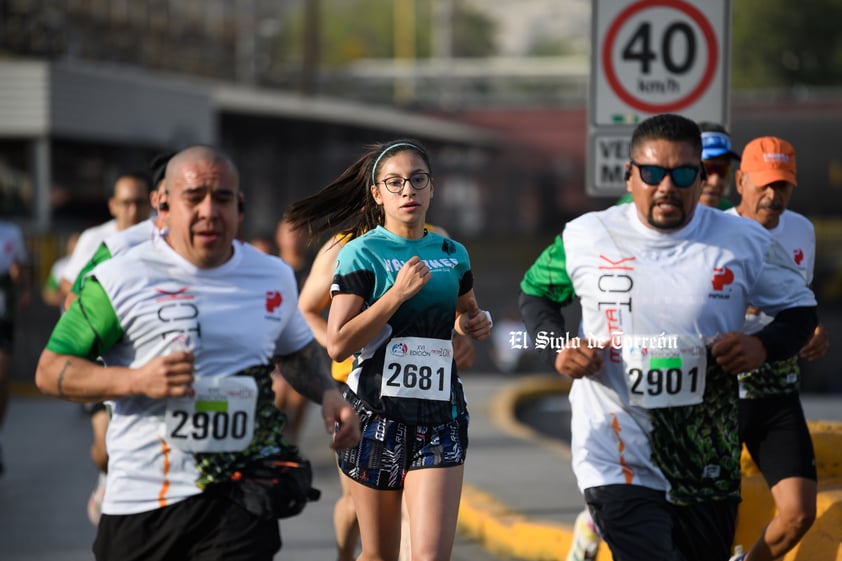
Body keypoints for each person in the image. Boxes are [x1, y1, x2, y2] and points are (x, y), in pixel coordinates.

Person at [34, 145, 360, 561]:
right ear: (163, 206)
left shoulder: (270, 274)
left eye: (222, 198)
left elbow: (296, 353)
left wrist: (330, 395)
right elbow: (49, 369)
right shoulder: (119, 277)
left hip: (242, 496)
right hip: (145, 501)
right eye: (194, 197)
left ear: (239, 207)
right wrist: (135, 380)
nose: (209, 210)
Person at [518, 114, 817, 561]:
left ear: (701, 178)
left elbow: (800, 309)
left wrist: (763, 346)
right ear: (630, 175)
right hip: (615, 455)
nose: (666, 186)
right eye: (653, 173)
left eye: (682, 174)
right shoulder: (587, 235)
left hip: (705, 459)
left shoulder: (744, 240)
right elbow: (534, 293)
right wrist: (556, 349)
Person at [286, 139, 490, 561]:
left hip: (441, 415)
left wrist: (472, 324)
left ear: (433, 188)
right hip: (376, 416)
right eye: (395, 183)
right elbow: (339, 341)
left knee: (430, 556)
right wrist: (394, 296)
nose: (408, 191)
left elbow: (463, 312)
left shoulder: (453, 253)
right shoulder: (359, 252)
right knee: (380, 554)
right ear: (377, 194)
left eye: (418, 180)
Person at [726, 136, 828, 561]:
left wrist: (813, 331)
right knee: (708, 516)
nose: (773, 196)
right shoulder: (715, 232)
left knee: (799, 513)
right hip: (722, 395)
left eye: (783, 185)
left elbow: (798, 303)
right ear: (740, 182)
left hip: (778, 394)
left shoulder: (802, 229)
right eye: (764, 184)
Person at [68, 152, 173, 525]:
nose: (131, 210)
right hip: (105, 367)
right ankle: (107, 480)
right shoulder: (103, 243)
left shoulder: (195, 243)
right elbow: (70, 297)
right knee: (104, 451)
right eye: (124, 203)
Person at [59, 171, 152, 301]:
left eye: (140, 203)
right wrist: (99, 307)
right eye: (126, 203)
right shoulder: (93, 238)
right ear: (112, 206)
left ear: (152, 202)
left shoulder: (162, 236)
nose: (133, 211)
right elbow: (67, 283)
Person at [616, 121, 741, 210]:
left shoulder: (728, 213)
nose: (715, 181)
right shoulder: (633, 206)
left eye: (723, 170)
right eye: (707, 169)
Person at [270, 215, 313, 445]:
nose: (293, 237)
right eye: (288, 230)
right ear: (279, 235)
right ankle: (274, 440)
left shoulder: (313, 272)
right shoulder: (270, 270)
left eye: (298, 231)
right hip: (273, 347)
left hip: (303, 347)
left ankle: (292, 440)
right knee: (277, 394)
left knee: (298, 397)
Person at [0, 219, 30, 477]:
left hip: (2, 312)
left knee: (1, 376)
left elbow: (22, 268)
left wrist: (22, 284)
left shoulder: (11, 232)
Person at [42, 232, 80, 310]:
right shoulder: (60, 266)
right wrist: (68, 295)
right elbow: (48, 294)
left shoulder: (94, 264)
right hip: (68, 318)